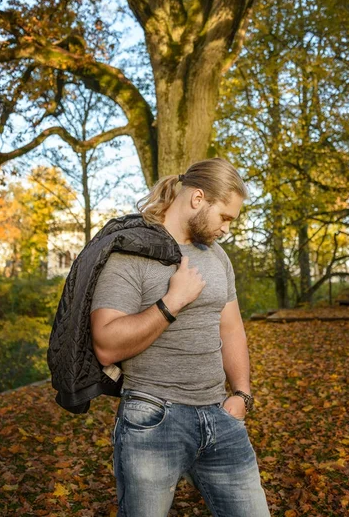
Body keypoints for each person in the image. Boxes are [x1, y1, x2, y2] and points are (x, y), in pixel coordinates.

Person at [90, 158, 270, 517]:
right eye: (225, 218)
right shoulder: (132, 252)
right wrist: (173, 301)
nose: (226, 229)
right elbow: (106, 345)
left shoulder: (217, 256)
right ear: (198, 198)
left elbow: (231, 327)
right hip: (153, 421)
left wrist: (241, 393)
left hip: (220, 417)